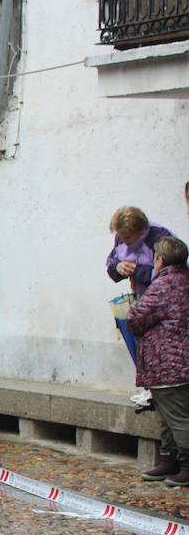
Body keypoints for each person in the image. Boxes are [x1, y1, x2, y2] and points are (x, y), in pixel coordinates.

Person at [128, 237, 189, 484]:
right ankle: (168, 461)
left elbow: (134, 318)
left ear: (160, 261)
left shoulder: (163, 285)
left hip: (168, 365)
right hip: (180, 365)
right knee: (168, 416)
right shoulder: (185, 280)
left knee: (178, 419)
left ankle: (186, 466)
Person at [106, 206, 178, 364]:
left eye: (128, 237)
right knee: (143, 351)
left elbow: (171, 276)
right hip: (142, 301)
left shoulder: (160, 238)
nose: (124, 241)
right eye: (121, 236)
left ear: (141, 230)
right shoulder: (121, 238)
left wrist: (138, 271)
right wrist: (118, 268)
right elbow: (111, 263)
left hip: (165, 305)